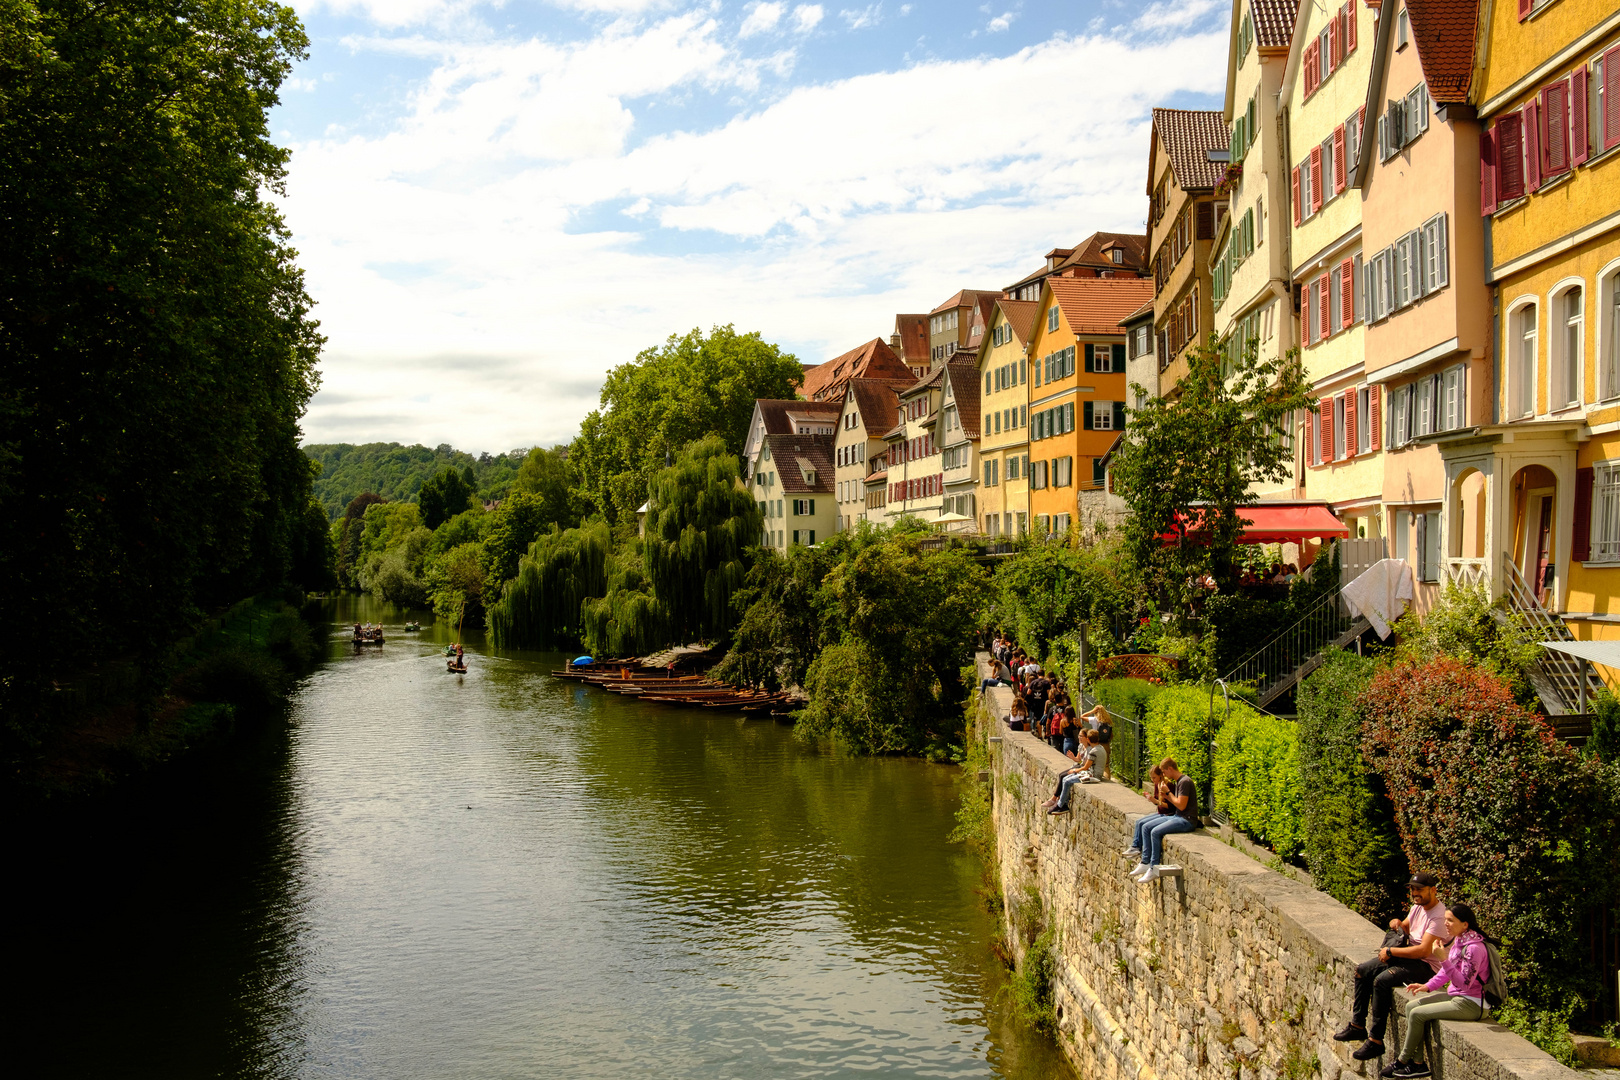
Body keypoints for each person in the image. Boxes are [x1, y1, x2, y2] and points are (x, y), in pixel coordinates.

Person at [1334, 872, 1453, 1061]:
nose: (1415, 893)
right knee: (1363, 970)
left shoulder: (1438, 917)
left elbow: (1423, 950)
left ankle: (1376, 1041)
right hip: (1408, 957)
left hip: (1426, 967)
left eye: (1419, 889)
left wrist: (1391, 952)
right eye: (1413, 889)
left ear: (1433, 890)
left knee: (1382, 981)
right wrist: (1397, 923)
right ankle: (1357, 1026)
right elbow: (1406, 927)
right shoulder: (1418, 907)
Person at [1379, 904, 1493, 1079]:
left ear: (1465, 924)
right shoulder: (1460, 940)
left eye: (1450, 920)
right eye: (1445, 919)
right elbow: (1444, 973)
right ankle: (1418, 1064)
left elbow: (1464, 984)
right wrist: (1427, 986)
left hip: (1472, 1004)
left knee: (1417, 1014)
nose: (1445, 923)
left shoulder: (1474, 949)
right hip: (1457, 997)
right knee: (1411, 1006)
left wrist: (1443, 959)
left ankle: (1402, 1060)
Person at [1131, 758, 1199, 882]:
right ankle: (1145, 862)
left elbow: (1181, 805)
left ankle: (1153, 867)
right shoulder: (1179, 781)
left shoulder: (1185, 782)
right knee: (1146, 827)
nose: (1164, 775)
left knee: (1155, 832)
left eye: (1164, 772)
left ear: (1170, 769)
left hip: (1187, 820)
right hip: (1178, 816)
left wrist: (1167, 793)